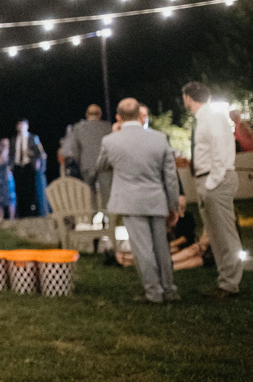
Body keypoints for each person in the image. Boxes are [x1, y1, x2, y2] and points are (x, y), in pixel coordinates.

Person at [97, 98, 180, 303]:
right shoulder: (160, 139)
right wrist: (173, 205)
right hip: (156, 200)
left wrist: (114, 134)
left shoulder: (110, 141)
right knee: (162, 247)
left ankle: (153, 293)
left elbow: (101, 166)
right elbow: (170, 177)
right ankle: (169, 289)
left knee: (143, 249)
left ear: (118, 117)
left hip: (130, 202)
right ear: (139, 115)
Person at [183, 81, 242, 298]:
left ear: (188, 98)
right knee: (215, 235)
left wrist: (212, 182)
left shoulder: (212, 117)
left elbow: (220, 151)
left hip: (214, 180)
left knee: (224, 234)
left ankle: (230, 284)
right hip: (207, 180)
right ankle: (225, 280)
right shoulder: (205, 119)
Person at [70, 104, 113, 208]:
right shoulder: (107, 126)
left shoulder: (78, 128)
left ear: (86, 114)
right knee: (106, 195)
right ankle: (107, 219)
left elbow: (74, 149)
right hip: (105, 166)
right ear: (100, 114)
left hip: (87, 165)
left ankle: (92, 219)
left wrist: (79, 162)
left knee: (89, 195)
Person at [11, 119, 49, 217]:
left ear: (26, 126)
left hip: (29, 167)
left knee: (31, 191)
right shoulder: (14, 139)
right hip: (18, 168)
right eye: (19, 125)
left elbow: (40, 153)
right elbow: (11, 154)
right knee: (19, 191)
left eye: (22, 125)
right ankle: (21, 213)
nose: (20, 127)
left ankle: (33, 213)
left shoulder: (33, 138)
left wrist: (36, 162)